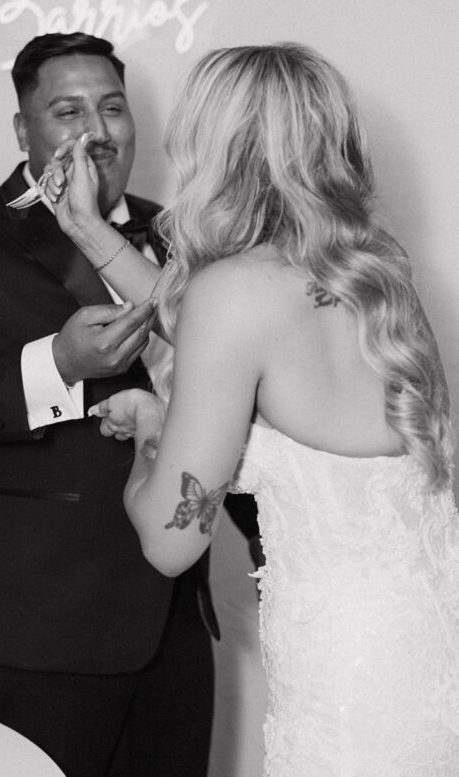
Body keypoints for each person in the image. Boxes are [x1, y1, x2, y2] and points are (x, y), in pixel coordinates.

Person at [50, 42, 459, 776]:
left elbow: (169, 544)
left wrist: (153, 427)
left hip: (350, 681)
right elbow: (209, 331)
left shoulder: (233, 293)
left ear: (214, 147)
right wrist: (86, 227)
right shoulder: (375, 270)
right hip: (432, 647)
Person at [0, 31, 262, 777]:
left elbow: (234, 397)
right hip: (33, 626)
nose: (96, 130)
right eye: (67, 110)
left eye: (112, 108)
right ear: (25, 131)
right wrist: (57, 363)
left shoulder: (188, 238)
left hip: (175, 619)